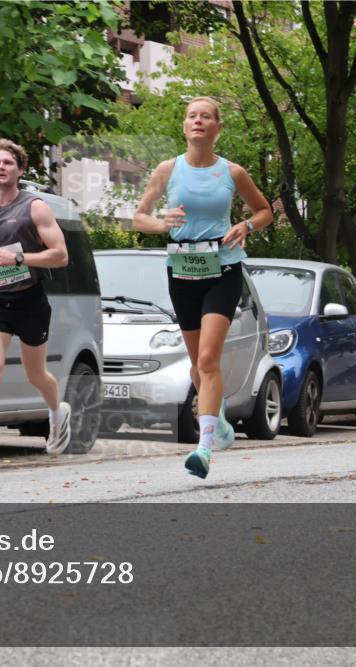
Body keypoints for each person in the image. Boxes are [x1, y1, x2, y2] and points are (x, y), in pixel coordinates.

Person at [133, 96, 273, 479]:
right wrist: (162, 224)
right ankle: (221, 420)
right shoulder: (167, 169)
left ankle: (205, 447)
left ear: (217, 128)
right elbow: (139, 217)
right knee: (198, 365)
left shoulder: (232, 172)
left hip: (222, 269)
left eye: (206, 116)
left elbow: (265, 211)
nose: (198, 121)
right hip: (181, 270)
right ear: (184, 126)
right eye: (192, 116)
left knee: (209, 360)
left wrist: (246, 226)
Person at [0, 138, 73, 476]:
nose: (1, 167)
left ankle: (57, 413)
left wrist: (18, 257)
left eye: (8, 163)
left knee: (36, 374)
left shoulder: (34, 207)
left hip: (29, 300)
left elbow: (61, 256)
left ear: (20, 170)